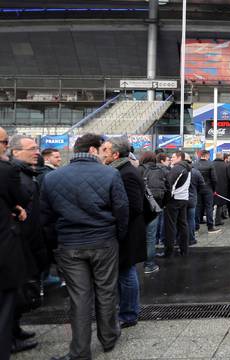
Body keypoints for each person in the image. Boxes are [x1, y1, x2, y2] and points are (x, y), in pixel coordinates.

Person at [41, 134, 129, 360]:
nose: (103, 154)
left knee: (79, 298)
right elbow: (121, 210)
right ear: (92, 150)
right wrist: (117, 236)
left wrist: (55, 243)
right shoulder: (110, 173)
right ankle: (108, 337)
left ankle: (80, 350)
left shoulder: (52, 177)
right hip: (103, 241)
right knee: (106, 291)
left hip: (69, 244)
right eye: (101, 150)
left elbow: (45, 216)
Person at [100, 137, 147, 329]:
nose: (103, 153)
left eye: (106, 150)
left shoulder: (126, 173)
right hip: (126, 229)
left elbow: (135, 206)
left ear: (115, 154)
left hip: (128, 232)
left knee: (127, 272)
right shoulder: (120, 170)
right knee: (124, 272)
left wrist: (117, 221)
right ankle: (127, 310)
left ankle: (129, 313)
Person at [8, 135, 48, 355]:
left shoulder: (26, 175)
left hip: (28, 241)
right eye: (32, 148)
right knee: (16, 292)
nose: (37, 152)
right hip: (20, 243)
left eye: (37, 148)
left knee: (20, 292)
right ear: (15, 152)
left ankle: (16, 329)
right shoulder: (16, 177)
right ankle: (11, 337)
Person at [0, 128, 31, 360]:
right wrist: (16, 208)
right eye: (4, 142)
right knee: (5, 305)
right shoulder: (6, 170)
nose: (6, 146)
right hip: (5, 247)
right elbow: (20, 198)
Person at [138, 152, 167, 274]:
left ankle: (135, 263)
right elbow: (167, 188)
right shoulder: (160, 170)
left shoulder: (139, 170)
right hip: (155, 207)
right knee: (151, 237)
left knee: (138, 236)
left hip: (140, 208)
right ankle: (149, 265)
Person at [162, 151, 191, 257]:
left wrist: (165, 201)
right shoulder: (187, 168)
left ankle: (168, 252)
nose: (171, 158)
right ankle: (184, 249)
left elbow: (170, 186)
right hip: (183, 199)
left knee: (170, 226)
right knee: (183, 225)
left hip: (174, 200)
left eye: (173, 157)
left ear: (179, 158)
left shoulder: (177, 169)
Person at [196, 150, 219, 233]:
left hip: (198, 189)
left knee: (197, 207)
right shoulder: (210, 164)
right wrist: (214, 189)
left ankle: (196, 227)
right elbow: (214, 179)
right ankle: (210, 227)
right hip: (208, 188)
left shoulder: (195, 164)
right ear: (207, 155)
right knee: (209, 207)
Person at [212, 152, 230, 224]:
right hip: (223, 187)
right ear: (222, 157)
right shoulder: (226, 165)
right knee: (220, 204)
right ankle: (218, 220)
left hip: (211, 187)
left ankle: (210, 220)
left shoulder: (210, 164)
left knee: (211, 204)